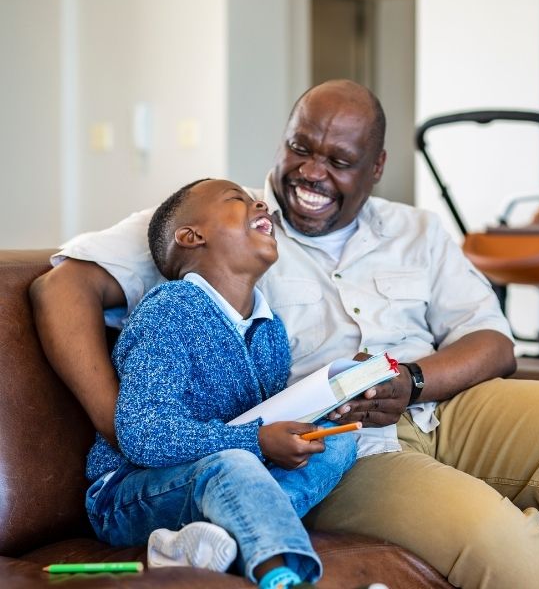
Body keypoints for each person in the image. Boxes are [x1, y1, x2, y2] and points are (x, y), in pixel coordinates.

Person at [31, 79, 539, 588]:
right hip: (338, 448)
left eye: (340, 160)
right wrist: (123, 426)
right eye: (301, 147)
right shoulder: (221, 218)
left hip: (443, 406)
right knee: (496, 536)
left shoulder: (415, 229)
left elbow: (493, 341)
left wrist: (412, 382)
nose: (312, 172)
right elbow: (61, 287)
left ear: (376, 167)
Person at [84, 177, 357, 588]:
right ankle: (284, 576)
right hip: (128, 495)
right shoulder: (170, 311)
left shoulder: (271, 330)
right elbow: (143, 433)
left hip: (224, 476)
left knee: (339, 441)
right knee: (234, 464)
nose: (262, 205)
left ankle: (202, 543)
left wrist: (312, 416)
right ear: (192, 237)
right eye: (239, 200)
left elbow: (259, 419)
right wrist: (258, 441)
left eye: (258, 201)